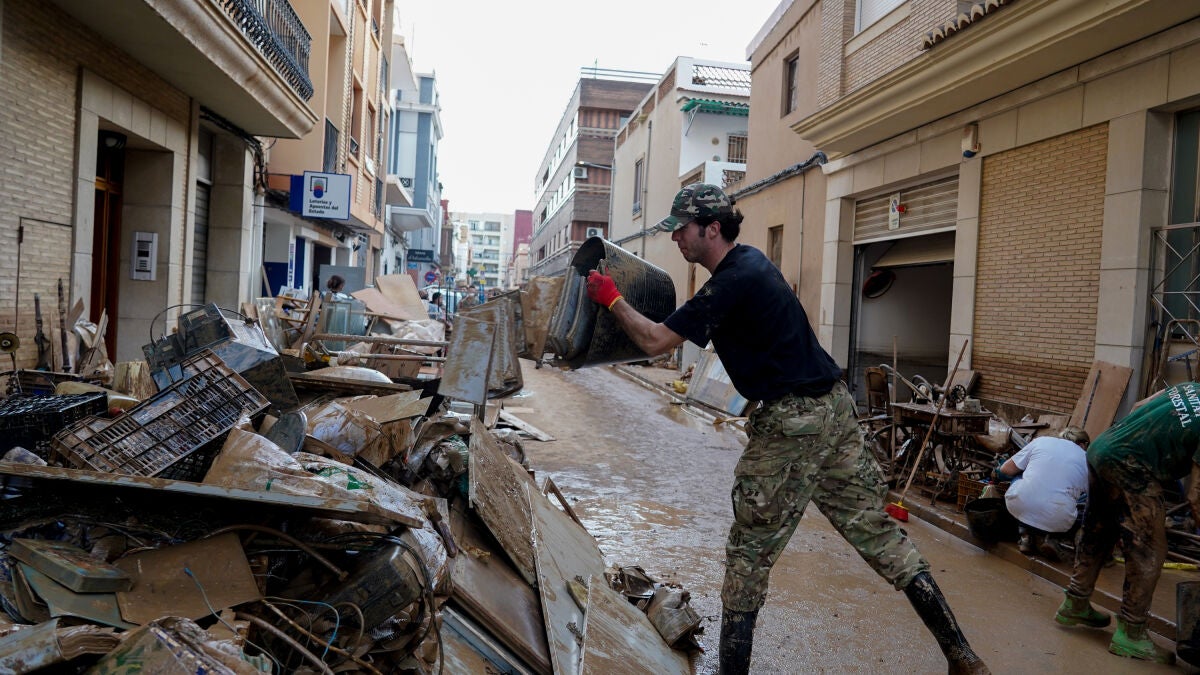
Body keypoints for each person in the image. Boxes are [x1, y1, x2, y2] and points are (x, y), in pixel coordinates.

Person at [584, 183, 989, 675]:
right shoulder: (752, 263)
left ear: (712, 229)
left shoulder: (730, 282)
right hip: (834, 411)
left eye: (682, 229)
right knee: (878, 534)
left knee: (748, 555)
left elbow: (653, 341)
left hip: (793, 421)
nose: (675, 238)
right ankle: (964, 658)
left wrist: (611, 297)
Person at [1054, 382, 1200, 664]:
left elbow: (1138, 406)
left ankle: (1075, 602)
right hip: (1131, 465)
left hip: (1103, 447)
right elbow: (1196, 496)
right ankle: (1131, 633)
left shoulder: (1190, 387)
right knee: (1149, 549)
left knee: (1099, 530)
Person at [994, 427, 1090, 562]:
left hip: (1018, 506)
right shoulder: (1086, 459)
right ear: (1083, 444)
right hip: (1059, 519)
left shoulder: (1041, 441)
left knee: (1021, 474)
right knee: (1078, 504)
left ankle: (1025, 535)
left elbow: (1005, 469)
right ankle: (1051, 538)